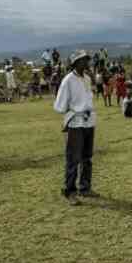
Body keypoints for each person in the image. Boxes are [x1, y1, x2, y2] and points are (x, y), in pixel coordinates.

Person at [53, 50, 99, 206]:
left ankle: (84, 187)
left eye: (87, 60)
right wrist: (74, 111)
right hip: (75, 123)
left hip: (88, 122)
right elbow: (60, 106)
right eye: (83, 60)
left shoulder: (86, 78)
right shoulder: (68, 80)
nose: (87, 63)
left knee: (87, 157)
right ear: (76, 63)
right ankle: (69, 191)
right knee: (73, 158)